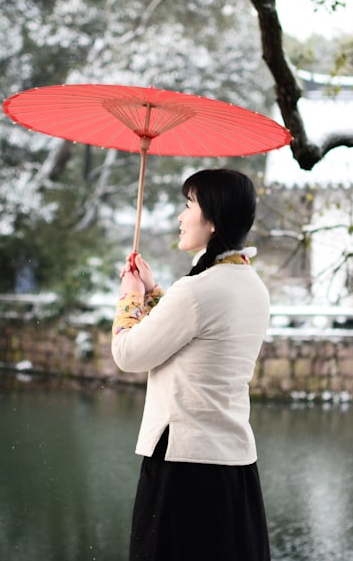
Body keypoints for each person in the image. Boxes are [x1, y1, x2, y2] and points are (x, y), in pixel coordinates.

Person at [112, 168, 271, 561]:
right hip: (232, 467)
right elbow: (195, 330)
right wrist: (153, 292)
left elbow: (128, 354)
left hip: (183, 467)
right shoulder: (252, 284)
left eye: (188, 206)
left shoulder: (198, 290)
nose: (180, 218)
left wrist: (130, 298)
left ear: (213, 220)